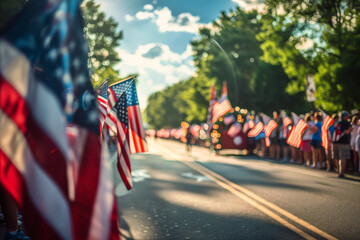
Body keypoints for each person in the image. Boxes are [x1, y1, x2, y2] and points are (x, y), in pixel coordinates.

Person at [332, 111, 353, 178]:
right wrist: (350, 129)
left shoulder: (337, 123)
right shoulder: (346, 123)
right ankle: (341, 173)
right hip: (343, 143)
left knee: (337, 158)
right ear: (344, 116)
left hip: (335, 142)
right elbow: (346, 132)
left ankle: (338, 171)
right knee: (343, 158)